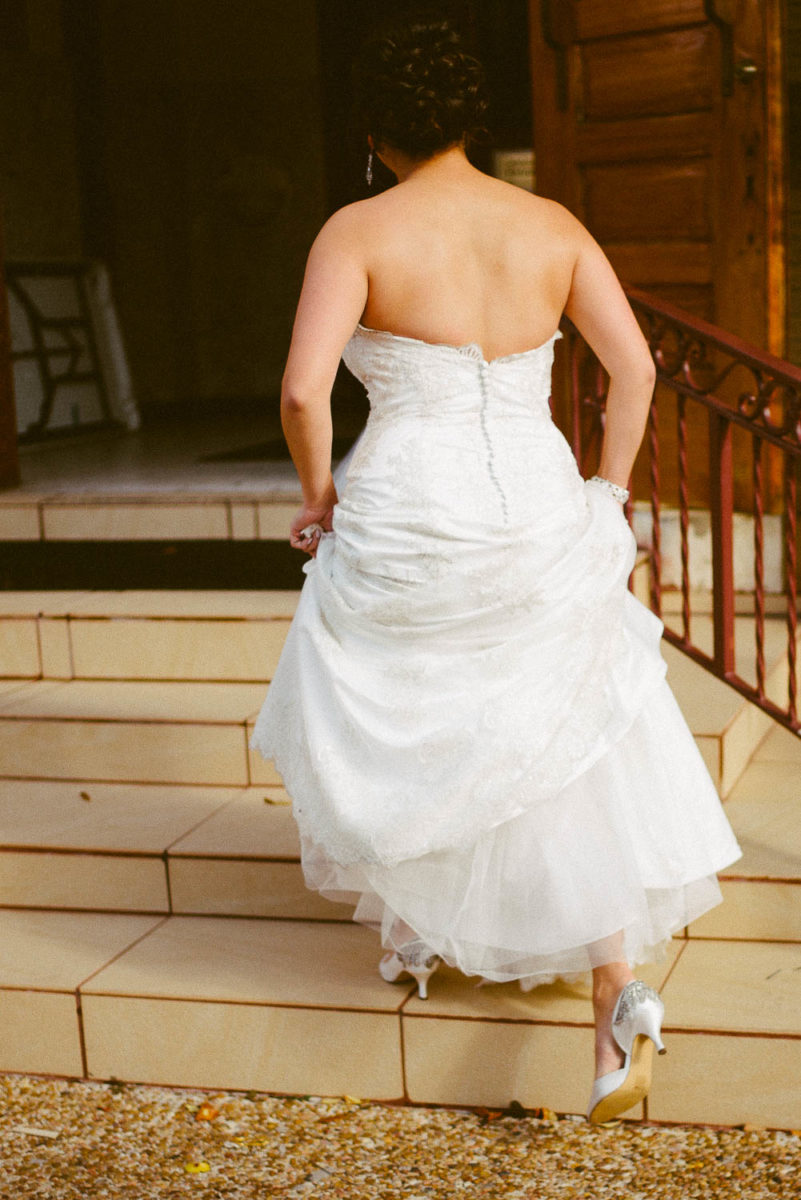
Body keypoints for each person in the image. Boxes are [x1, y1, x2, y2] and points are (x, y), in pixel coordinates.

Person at [250, 14, 741, 1124]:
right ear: (472, 116)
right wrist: (607, 493)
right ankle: (617, 994)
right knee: (558, 725)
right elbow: (636, 370)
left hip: (412, 497)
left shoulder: (357, 229)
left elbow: (299, 392)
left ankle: (436, 925)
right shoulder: (550, 223)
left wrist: (319, 500)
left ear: (374, 127)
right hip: (533, 491)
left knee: (438, 714)